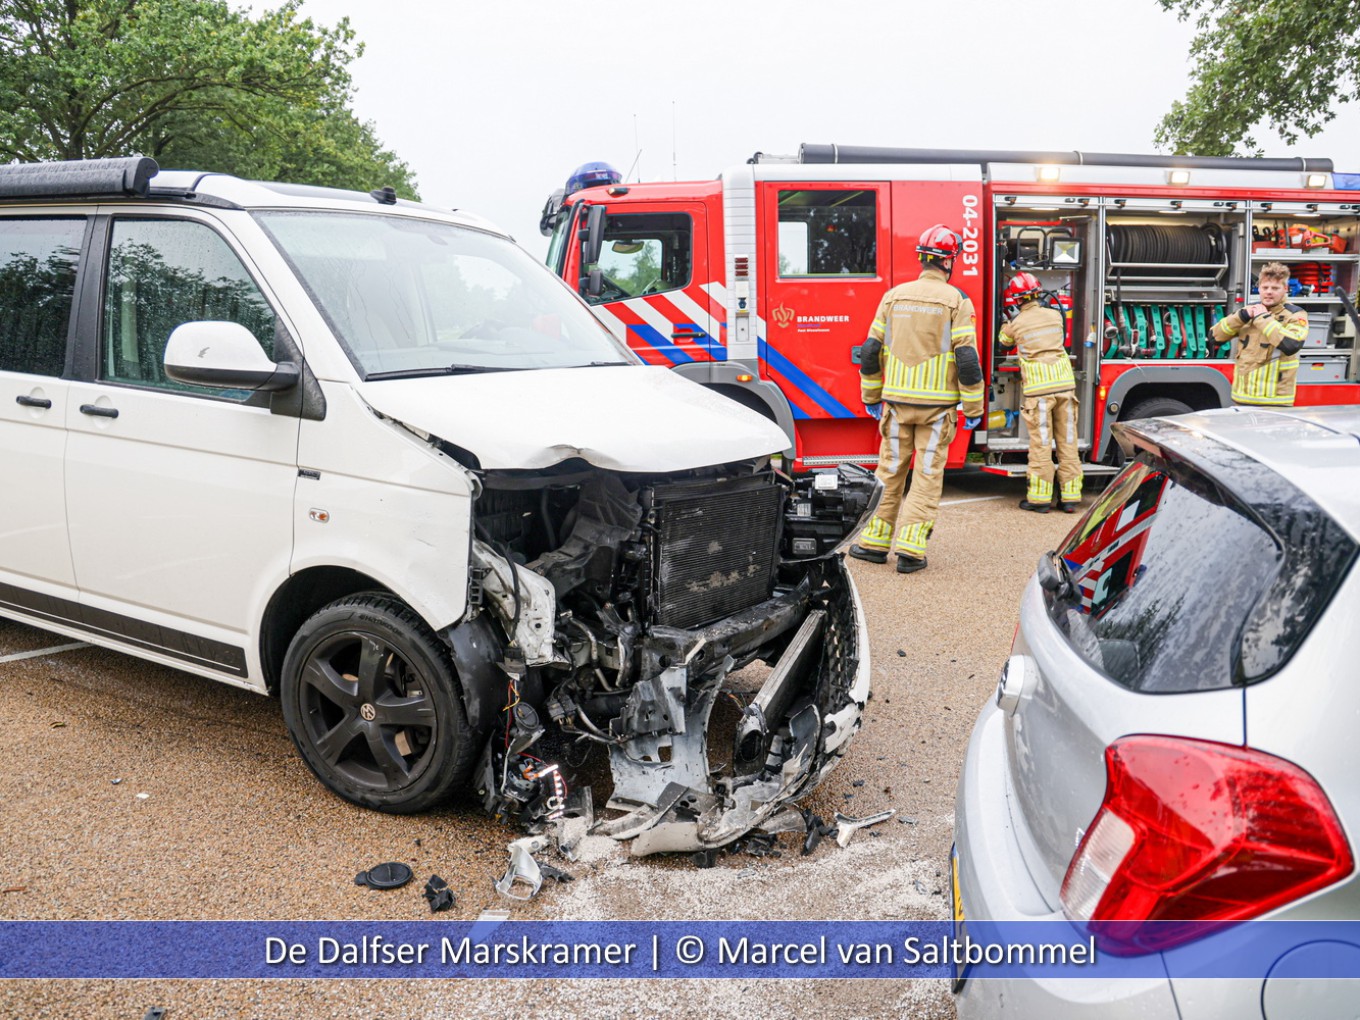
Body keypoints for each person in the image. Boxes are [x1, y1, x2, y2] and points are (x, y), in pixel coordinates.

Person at [849, 224, 984, 574]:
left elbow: (870, 351)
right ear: (949, 262)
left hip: (894, 406)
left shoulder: (893, 296)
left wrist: (871, 395)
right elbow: (967, 358)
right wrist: (973, 407)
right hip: (937, 410)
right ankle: (910, 551)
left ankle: (873, 544)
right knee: (925, 475)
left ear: (922, 258)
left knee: (890, 471)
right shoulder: (957, 301)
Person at [998, 272, 1082, 513]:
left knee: (1042, 445)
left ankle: (1039, 500)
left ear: (1016, 300)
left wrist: (1006, 322)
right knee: (1067, 442)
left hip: (1039, 391)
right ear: (1038, 293)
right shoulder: (1055, 315)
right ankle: (1070, 499)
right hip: (1065, 386)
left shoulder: (1017, 323)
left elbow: (1004, 341)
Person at [1210, 262, 1309, 406]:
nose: (1269, 292)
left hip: (1275, 403)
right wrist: (1241, 316)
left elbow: (1291, 344)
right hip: (1241, 399)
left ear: (1285, 289)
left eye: (1275, 288)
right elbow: (1215, 338)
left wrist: (1262, 318)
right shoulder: (1248, 311)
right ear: (1259, 288)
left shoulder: (1295, 314)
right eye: (1265, 287)